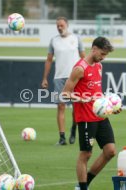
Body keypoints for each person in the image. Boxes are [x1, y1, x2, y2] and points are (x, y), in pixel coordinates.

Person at [62, 37, 117, 190]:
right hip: (86, 118)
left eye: (106, 55)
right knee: (86, 154)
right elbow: (65, 93)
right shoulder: (80, 68)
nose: (103, 58)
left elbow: (98, 92)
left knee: (110, 151)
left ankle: (85, 183)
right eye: (102, 54)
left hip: (101, 115)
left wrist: (111, 106)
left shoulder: (99, 66)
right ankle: (82, 187)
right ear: (94, 49)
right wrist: (82, 98)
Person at [41, 16, 85, 145]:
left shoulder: (76, 39)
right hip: (58, 78)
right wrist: (44, 78)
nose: (59, 28)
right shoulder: (53, 41)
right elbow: (49, 60)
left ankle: (73, 129)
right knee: (61, 106)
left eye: (62, 25)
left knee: (76, 108)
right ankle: (62, 138)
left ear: (67, 25)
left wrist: (86, 76)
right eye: (57, 26)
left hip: (75, 77)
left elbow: (84, 58)